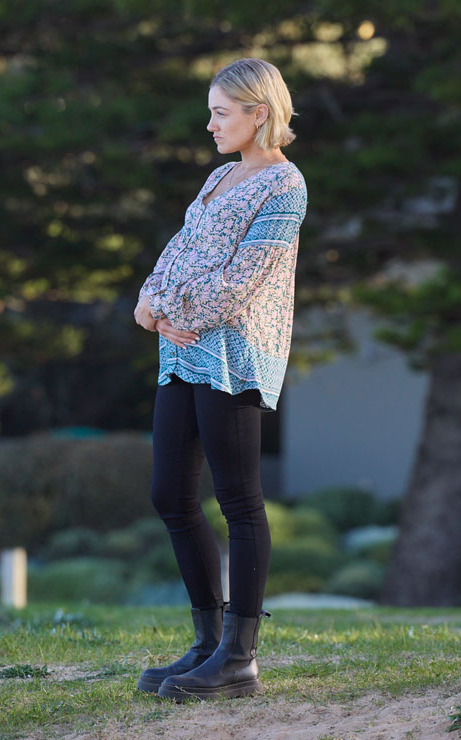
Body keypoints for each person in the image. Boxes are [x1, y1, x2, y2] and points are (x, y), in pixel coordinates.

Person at [132, 58, 308, 702]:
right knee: (170, 495)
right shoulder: (219, 176)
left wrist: (172, 312)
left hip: (234, 355)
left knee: (238, 499)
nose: (210, 125)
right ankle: (207, 642)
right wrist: (150, 302)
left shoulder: (285, 186)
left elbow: (243, 281)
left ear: (259, 113)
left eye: (220, 113)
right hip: (182, 352)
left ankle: (239, 657)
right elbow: (179, 250)